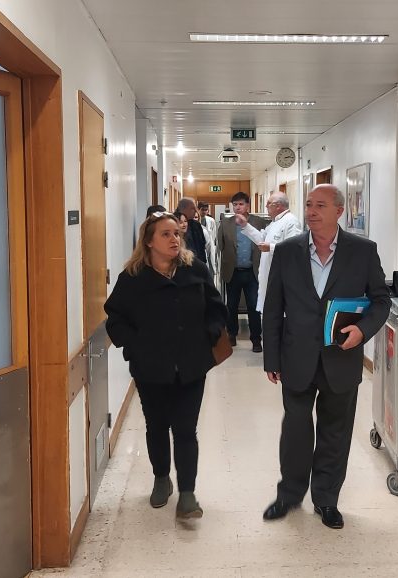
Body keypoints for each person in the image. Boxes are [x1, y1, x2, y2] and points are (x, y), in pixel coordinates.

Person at [261, 184, 390, 530]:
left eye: (320, 205)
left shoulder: (362, 251)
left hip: (341, 358)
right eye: (308, 204)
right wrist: (271, 357)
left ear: (339, 211)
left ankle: (327, 499)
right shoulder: (287, 251)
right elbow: (273, 307)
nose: (312, 211)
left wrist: (363, 330)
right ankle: (289, 495)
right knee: (295, 430)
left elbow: (381, 300)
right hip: (296, 357)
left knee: (335, 432)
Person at [104, 212, 227, 519]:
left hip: (191, 364)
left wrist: (210, 333)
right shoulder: (132, 277)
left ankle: (187, 493)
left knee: (185, 429)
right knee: (157, 425)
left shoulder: (194, 268)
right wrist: (135, 344)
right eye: (166, 234)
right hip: (151, 367)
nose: (175, 239)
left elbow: (216, 307)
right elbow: (115, 318)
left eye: (177, 234)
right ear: (149, 241)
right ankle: (161, 478)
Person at [216, 192, 268, 351]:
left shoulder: (259, 222)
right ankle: (232, 334)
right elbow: (220, 246)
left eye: (241, 204)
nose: (238, 207)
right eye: (235, 204)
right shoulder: (226, 223)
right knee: (231, 305)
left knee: (253, 305)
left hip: (253, 271)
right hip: (233, 271)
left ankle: (256, 338)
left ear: (248, 205)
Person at [237, 191, 303, 313]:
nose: (266, 206)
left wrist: (271, 248)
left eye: (269, 203)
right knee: (269, 312)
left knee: (278, 314)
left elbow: (294, 249)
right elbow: (261, 240)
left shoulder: (291, 222)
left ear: (278, 206)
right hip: (268, 277)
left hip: (281, 278)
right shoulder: (274, 222)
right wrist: (245, 225)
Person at [176, 197, 207, 263]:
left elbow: (202, 245)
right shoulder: (173, 223)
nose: (196, 211)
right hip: (181, 261)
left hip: (198, 262)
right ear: (183, 209)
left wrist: (203, 263)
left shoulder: (196, 224)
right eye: (193, 208)